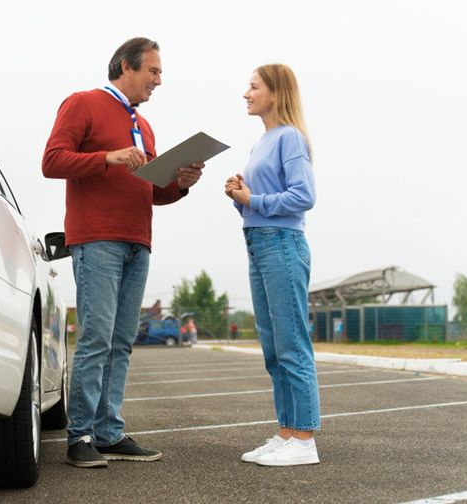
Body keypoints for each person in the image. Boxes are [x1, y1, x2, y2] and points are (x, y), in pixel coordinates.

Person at [42, 37, 204, 468]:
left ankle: (108, 432)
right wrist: (108, 157)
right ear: (126, 67)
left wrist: (181, 183)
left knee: (121, 342)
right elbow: (52, 161)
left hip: (138, 241)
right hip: (97, 239)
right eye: (153, 71)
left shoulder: (144, 125)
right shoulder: (82, 103)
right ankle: (80, 436)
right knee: (96, 338)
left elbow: (153, 191)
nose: (159, 80)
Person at [224, 63, 320, 466]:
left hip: (282, 244)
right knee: (273, 348)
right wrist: (239, 196)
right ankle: (286, 433)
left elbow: (304, 196)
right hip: (259, 243)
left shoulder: (290, 137)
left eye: (253, 86)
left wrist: (254, 200)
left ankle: (305, 440)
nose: (246, 93)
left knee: (292, 344)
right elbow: (258, 203)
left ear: (276, 93)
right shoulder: (262, 142)